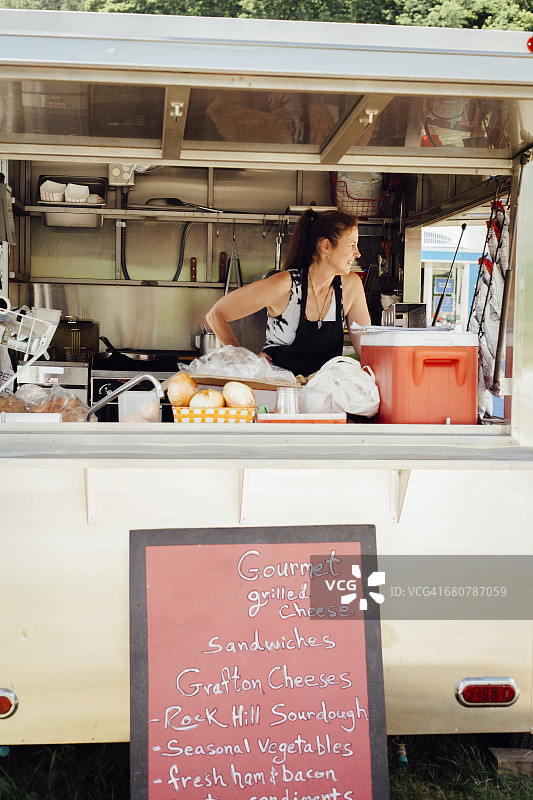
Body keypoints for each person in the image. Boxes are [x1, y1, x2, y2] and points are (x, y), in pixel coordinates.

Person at [205, 208, 371, 377]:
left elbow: (368, 352)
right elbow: (215, 315)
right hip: (278, 392)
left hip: (323, 395)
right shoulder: (285, 285)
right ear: (326, 246)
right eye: (351, 245)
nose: (357, 253)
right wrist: (245, 361)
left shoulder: (351, 286)